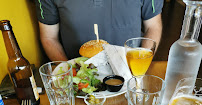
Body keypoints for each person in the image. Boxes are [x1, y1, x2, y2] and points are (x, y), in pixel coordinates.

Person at [35, 0, 164, 61]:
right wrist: (69, 72)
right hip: (80, 76)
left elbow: (153, 26)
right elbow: (49, 38)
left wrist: (141, 64)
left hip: (130, 70)